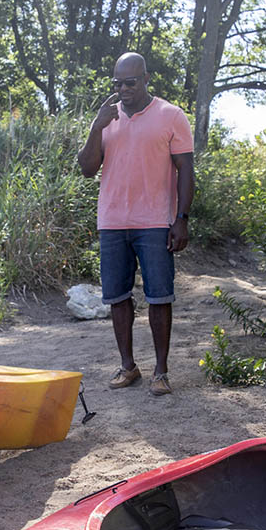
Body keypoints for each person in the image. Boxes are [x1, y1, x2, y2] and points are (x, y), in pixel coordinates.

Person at [77, 52, 195, 396]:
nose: (124, 89)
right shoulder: (107, 118)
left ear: (146, 79)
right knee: (117, 297)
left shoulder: (170, 115)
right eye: (118, 83)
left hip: (156, 222)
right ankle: (128, 366)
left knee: (160, 297)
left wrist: (181, 219)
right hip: (112, 222)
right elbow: (87, 168)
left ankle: (161, 371)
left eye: (131, 82)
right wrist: (96, 125)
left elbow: (186, 170)